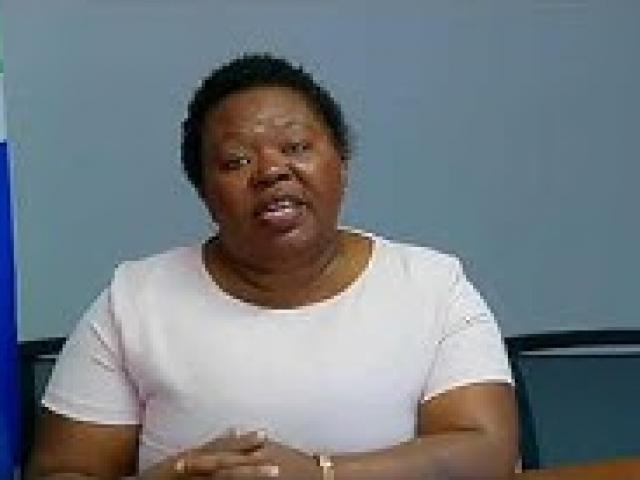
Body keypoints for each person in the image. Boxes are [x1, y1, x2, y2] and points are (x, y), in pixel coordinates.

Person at [27, 53, 518, 480]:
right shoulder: (133, 301)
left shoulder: (432, 285)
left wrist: (323, 474)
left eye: (296, 147)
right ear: (204, 192)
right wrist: (172, 477)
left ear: (342, 163)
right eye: (236, 161)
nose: (271, 170)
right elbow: (61, 471)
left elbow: (487, 451)